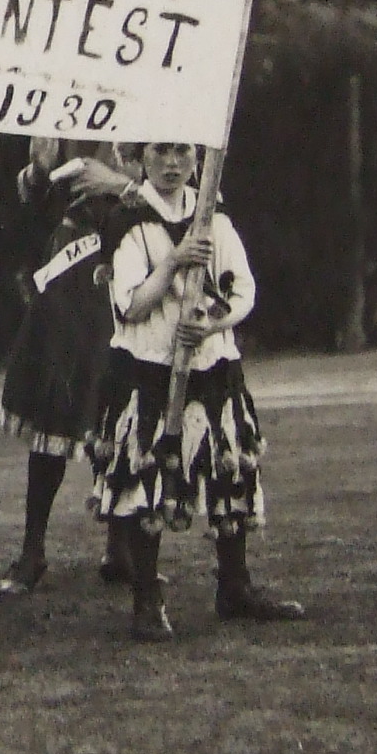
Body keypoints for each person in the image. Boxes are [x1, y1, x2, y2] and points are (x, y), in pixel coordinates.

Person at [89, 141, 299, 637]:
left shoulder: (215, 221)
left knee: (229, 468)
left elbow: (243, 289)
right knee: (147, 478)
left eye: (183, 151)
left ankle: (235, 584)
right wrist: (176, 261)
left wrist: (210, 323)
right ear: (142, 157)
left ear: (197, 159)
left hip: (210, 363)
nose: (173, 163)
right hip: (147, 366)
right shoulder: (128, 223)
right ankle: (146, 598)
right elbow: (132, 304)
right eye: (161, 151)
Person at [0, 138, 139, 592]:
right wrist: (38, 172)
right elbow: (33, 204)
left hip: (132, 258)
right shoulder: (65, 107)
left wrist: (118, 182)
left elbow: (186, 190)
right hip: (70, 271)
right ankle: (32, 550)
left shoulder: (154, 107)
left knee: (122, 401)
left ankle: (121, 545)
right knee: (58, 401)